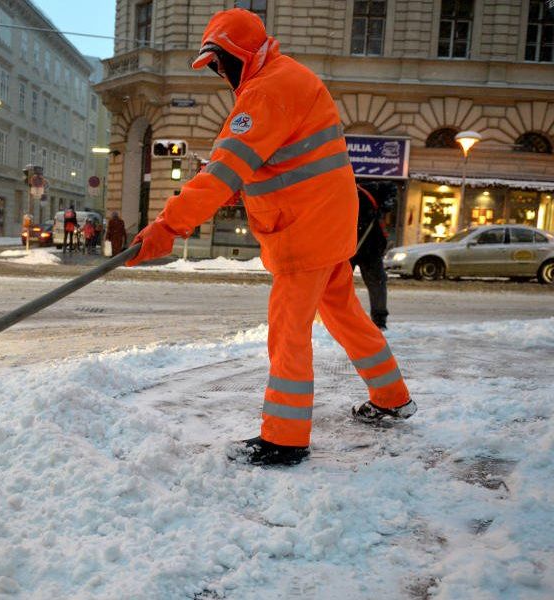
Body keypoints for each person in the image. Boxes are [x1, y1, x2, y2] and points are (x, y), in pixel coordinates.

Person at [125, 8, 416, 466]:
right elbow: (263, 163)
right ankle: (392, 396)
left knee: (287, 335)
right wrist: (226, 185)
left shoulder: (265, 92)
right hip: (327, 225)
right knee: (346, 317)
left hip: (306, 231)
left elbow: (224, 171)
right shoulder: (287, 77)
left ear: (241, 54)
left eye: (221, 62)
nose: (220, 72)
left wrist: (167, 227)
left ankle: (285, 438)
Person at [350, 181, 394, 330]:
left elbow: (391, 189)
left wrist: (384, 205)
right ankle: (378, 320)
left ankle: (378, 320)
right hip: (354, 249)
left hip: (364, 248)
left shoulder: (367, 190)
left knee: (376, 284)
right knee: (376, 284)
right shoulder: (340, 195)